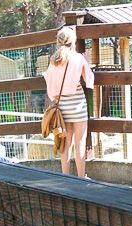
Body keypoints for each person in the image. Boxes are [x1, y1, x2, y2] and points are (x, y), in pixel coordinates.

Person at [42, 26, 94, 178]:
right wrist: (87, 62)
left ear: (59, 41)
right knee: (80, 143)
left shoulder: (54, 59)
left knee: (66, 143)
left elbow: (50, 84)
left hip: (62, 105)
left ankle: (65, 177)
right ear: (73, 41)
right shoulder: (78, 58)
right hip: (77, 104)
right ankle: (81, 177)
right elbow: (89, 79)